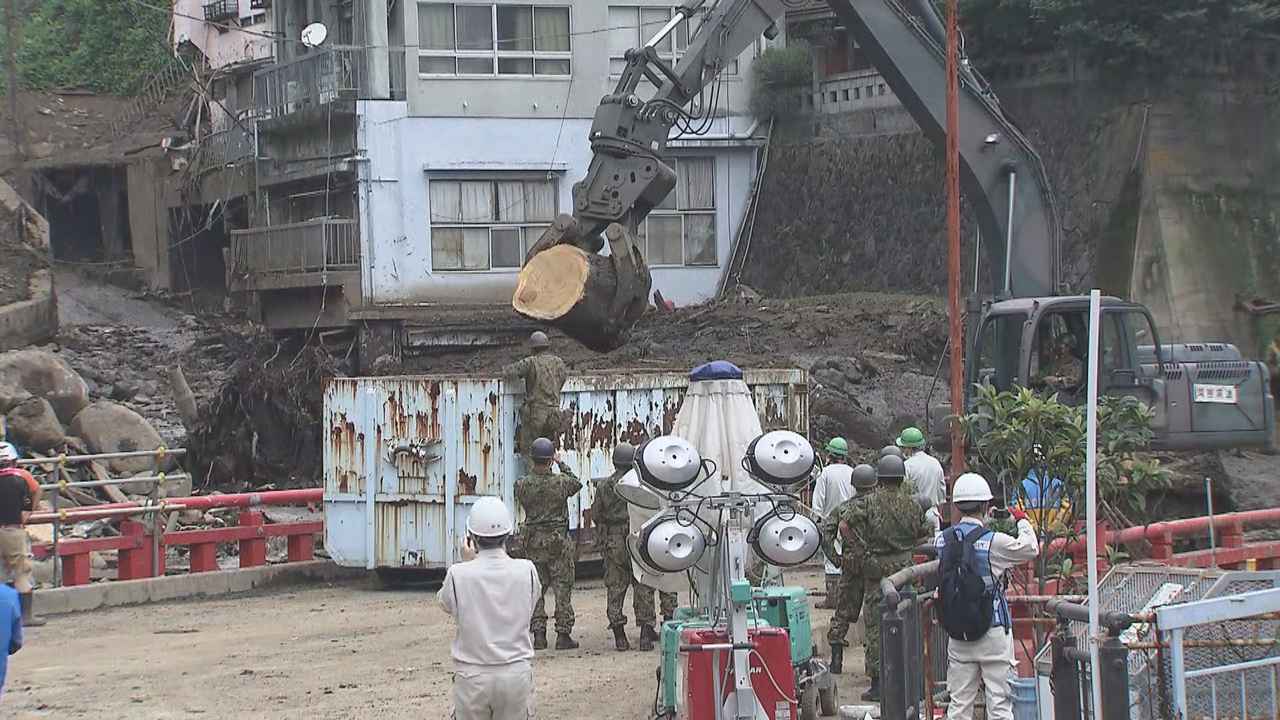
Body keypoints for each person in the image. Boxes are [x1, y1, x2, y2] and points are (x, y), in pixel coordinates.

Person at [935, 473, 1039, 720]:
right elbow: (1030, 548)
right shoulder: (995, 542)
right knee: (1000, 705)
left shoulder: (942, 541)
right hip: (992, 629)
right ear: (985, 506)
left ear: (957, 506)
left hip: (958, 632)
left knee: (959, 705)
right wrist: (1021, 520)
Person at [836, 454, 930, 701]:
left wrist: (860, 550)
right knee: (909, 619)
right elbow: (924, 532)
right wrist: (905, 545)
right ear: (901, 478)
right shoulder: (913, 504)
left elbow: (844, 525)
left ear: (880, 478)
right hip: (905, 568)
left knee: (876, 627)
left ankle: (878, 684)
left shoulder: (869, 502)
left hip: (876, 570)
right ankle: (911, 680)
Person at [439, 496, 540, 720]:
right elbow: (530, 604)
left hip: (472, 677)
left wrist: (467, 563)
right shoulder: (527, 570)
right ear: (508, 534)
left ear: (471, 537)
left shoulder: (459, 574)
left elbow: (446, 604)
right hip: (516, 674)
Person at [591, 442, 676, 652]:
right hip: (638, 536)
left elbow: (596, 515)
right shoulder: (641, 484)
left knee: (616, 588)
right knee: (643, 584)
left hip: (614, 542)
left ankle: (620, 637)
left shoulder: (604, 486)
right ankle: (645, 636)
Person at [514, 436, 582, 651]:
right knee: (562, 588)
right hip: (557, 543)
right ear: (550, 459)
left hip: (533, 543)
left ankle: (539, 634)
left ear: (532, 459)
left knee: (536, 589)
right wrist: (561, 462)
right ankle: (563, 635)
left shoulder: (522, 484)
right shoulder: (560, 482)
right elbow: (576, 482)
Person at [820, 462, 877, 674]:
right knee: (874, 618)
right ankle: (874, 669)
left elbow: (826, 534)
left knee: (842, 614)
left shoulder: (843, 508)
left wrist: (836, 559)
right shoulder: (877, 507)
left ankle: (836, 663)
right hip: (874, 569)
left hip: (850, 568)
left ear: (854, 485)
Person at [504, 331, 568, 470]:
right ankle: (548, 479)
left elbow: (510, 372)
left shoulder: (531, 361)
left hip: (536, 414)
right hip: (554, 414)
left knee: (530, 452)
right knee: (547, 452)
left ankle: (533, 484)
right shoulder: (558, 362)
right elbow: (563, 377)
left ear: (533, 348)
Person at [0, 443, 42, 626]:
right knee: (21, 572)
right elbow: (36, 491)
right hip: (12, 529)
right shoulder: (22, 477)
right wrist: (28, 512)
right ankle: (26, 617)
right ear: (14, 461)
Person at [812, 437, 855, 610]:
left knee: (831, 560)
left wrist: (816, 521)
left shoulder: (826, 473)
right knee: (849, 558)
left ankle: (832, 599)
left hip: (831, 523)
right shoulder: (852, 472)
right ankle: (847, 598)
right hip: (850, 522)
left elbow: (818, 502)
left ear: (830, 454)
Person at [897, 426, 946, 531]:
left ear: (909, 448)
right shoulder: (935, 463)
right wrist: (937, 513)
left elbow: (903, 494)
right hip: (933, 514)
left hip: (913, 516)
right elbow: (942, 494)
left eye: (903, 447)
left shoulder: (906, 466)